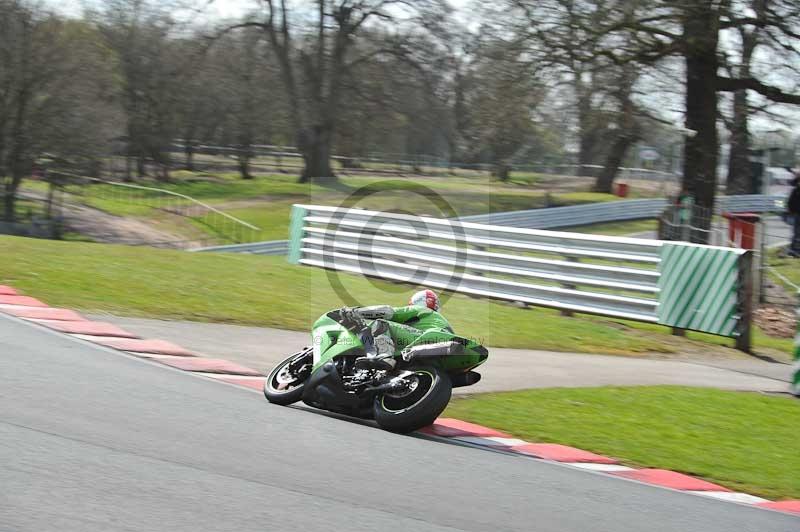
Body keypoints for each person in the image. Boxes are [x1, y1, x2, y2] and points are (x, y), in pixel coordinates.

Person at [337, 289, 451, 370]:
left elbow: (387, 312)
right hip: (442, 351)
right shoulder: (433, 319)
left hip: (428, 338)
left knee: (381, 324)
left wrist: (355, 312)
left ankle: (385, 356)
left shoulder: (420, 310)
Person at [786, 172, 800, 257]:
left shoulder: (796, 190)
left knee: (797, 233)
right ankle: (794, 250)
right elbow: (790, 203)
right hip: (797, 213)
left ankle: (795, 250)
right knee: (796, 233)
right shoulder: (796, 189)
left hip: (797, 213)